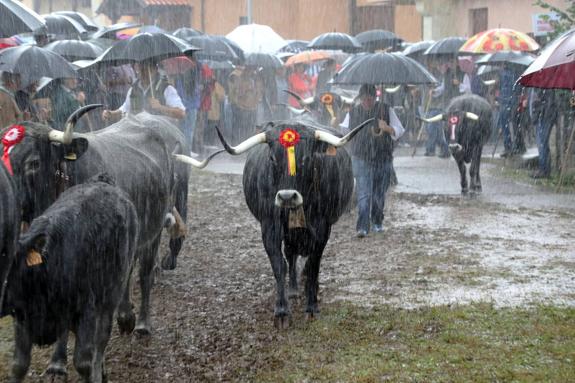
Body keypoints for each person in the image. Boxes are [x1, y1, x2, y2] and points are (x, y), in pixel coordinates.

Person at [348, 84, 405, 238]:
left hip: (383, 158)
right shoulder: (353, 112)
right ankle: (362, 227)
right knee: (364, 195)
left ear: (375, 97)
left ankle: (377, 222)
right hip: (361, 158)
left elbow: (399, 130)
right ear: (360, 99)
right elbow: (344, 132)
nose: (367, 102)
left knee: (379, 194)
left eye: (370, 98)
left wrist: (387, 128)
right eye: (364, 99)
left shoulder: (386, 109)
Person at [102, 61, 185, 123]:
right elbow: (125, 109)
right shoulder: (134, 89)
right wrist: (111, 114)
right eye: (142, 68)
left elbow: (181, 113)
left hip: (161, 137)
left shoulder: (166, 88)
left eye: (148, 69)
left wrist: (160, 107)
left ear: (156, 70)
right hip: (139, 136)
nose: (145, 72)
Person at [227, 65, 263, 144]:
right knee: (239, 127)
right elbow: (238, 94)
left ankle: (247, 143)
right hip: (242, 108)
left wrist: (255, 93)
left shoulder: (253, 81)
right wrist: (246, 91)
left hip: (252, 108)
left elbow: (257, 94)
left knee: (249, 128)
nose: (251, 73)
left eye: (252, 71)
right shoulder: (240, 81)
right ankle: (237, 143)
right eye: (250, 71)